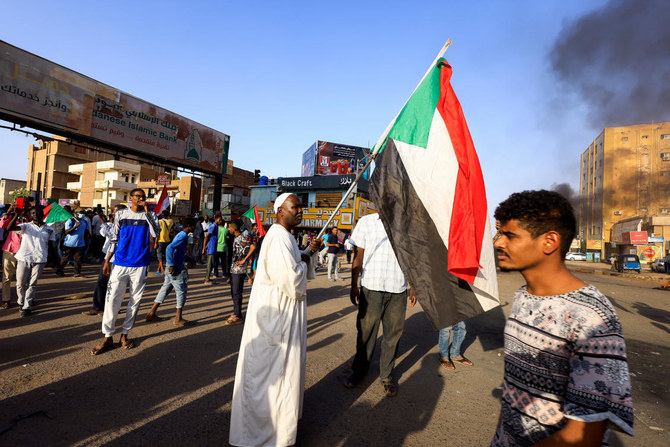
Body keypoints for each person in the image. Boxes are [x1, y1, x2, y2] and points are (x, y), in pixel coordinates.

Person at [491, 190, 634, 446]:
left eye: (509, 235)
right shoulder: (524, 296)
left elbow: (582, 437)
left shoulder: (592, 318)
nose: (498, 242)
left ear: (549, 241)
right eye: (499, 233)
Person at [229, 193, 321, 447]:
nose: (300, 211)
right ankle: (263, 436)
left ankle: (281, 432)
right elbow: (291, 282)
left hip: (284, 318)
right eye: (295, 207)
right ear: (281, 211)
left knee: (282, 378)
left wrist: (307, 253)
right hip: (276, 321)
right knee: (268, 380)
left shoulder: (286, 237)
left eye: (301, 207)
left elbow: (292, 266)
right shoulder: (278, 238)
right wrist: (304, 261)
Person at [344, 212, 415, 397]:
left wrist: (414, 285)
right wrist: (354, 285)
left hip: (398, 289)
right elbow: (358, 256)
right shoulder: (367, 222)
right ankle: (359, 372)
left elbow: (411, 257)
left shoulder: (406, 223)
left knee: (393, 335)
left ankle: (386, 376)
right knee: (366, 334)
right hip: (371, 288)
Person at [90, 188, 159, 355]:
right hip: (120, 263)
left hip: (140, 264)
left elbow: (156, 233)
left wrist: (149, 214)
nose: (141, 199)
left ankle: (125, 334)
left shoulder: (151, 216)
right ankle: (107, 336)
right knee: (112, 299)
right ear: (131, 198)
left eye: (143, 197)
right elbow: (114, 238)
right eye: (138, 196)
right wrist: (107, 260)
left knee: (134, 302)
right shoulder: (121, 214)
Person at [145, 217, 197, 326]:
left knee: (165, 289)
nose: (195, 228)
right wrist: (171, 264)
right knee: (181, 291)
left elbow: (178, 251)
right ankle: (178, 318)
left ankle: (152, 312)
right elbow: (170, 248)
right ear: (190, 226)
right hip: (176, 268)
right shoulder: (183, 236)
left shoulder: (181, 235)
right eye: (194, 226)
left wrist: (189, 258)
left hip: (173, 266)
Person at [6, 205, 55, 317]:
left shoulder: (49, 229)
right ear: (30, 215)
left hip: (40, 259)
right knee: (20, 283)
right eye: (32, 213)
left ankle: (27, 306)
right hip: (24, 258)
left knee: (32, 284)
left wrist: (55, 261)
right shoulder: (26, 226)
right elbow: (9, 228)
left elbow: (51, 246)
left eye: (37, 212)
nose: (35, 214)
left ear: (43, 214)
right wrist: (16, 215)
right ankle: (21, 301)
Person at [82, 205, 125, 316]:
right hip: (108, 258)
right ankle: (98, 307)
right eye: (113, 212)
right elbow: (105, 232)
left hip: (118, 260)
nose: (113, 214)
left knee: (115, 285)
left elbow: (114, 242)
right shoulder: (112, 225)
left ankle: (114, 308)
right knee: (101, 282)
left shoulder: (126, 227)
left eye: (115, 212)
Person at [225, 221, 256, 325]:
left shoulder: (241, 238)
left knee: (237, 292)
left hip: (240, 270)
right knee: (233, 292)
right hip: (234, 269)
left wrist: (244, 260)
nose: (229, 229)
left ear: (234, 228)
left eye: (230, 228)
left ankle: (238, 315)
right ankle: (235, 312)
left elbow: (252, 247)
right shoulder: (236, 238)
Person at [0, 205, 25, 309]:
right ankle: (6, 300)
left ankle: (24, 299)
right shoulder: (10, 216)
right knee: (6, 277)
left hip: (24, 250)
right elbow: (2, 225)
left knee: (24, 278)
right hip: (10, 249)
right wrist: (8, 212)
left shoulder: (30, 217)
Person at [57, 209, 89, 278]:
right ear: (76, 214)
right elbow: (67, 232)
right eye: (80, 213)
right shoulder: (70, 221)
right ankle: (59, 271)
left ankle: (77, 273)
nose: (82, 214)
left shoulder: (84, 222)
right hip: (69, 243)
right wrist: (75, 226)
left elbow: (86, 231)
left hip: (80, 243)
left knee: (78, 259)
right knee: (66, 258)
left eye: (83, 213)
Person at [202, 214, 223, 285]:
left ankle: (207, 278)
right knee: (210, 264)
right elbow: (206, 237)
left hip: (213, 248)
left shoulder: (216, 226)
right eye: (219, 220)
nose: (220, 221)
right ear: (216, 219)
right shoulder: (213, 226)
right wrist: (204, 247)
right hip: (211, 248)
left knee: (212, 263)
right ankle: (207, 279)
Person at [155, 210, 174, 275]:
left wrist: (155, 242)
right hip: (167, 240)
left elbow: (157, 233)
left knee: (160, 256)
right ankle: (159, 269)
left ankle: (162, 270)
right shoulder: (170, 221)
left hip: (160, 240)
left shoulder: (159, 222)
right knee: (166, 256)